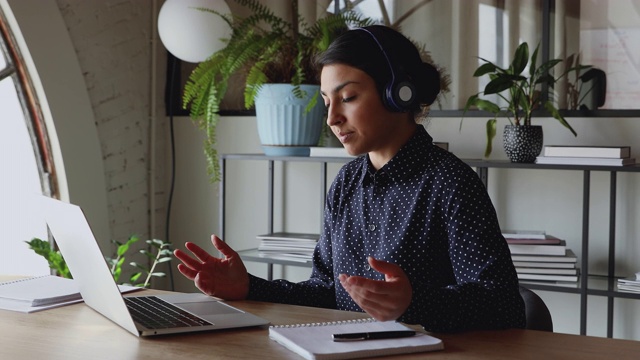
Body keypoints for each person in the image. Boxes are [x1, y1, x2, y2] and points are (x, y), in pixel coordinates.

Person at [174, 25, 526, 332]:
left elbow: (503, 303)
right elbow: (327, 291)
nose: (332, 118)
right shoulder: (345, 183)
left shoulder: (450, 183)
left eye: (348, 97)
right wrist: (249, 288)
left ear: (397, 92)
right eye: (327, 101)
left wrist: (413, 302)